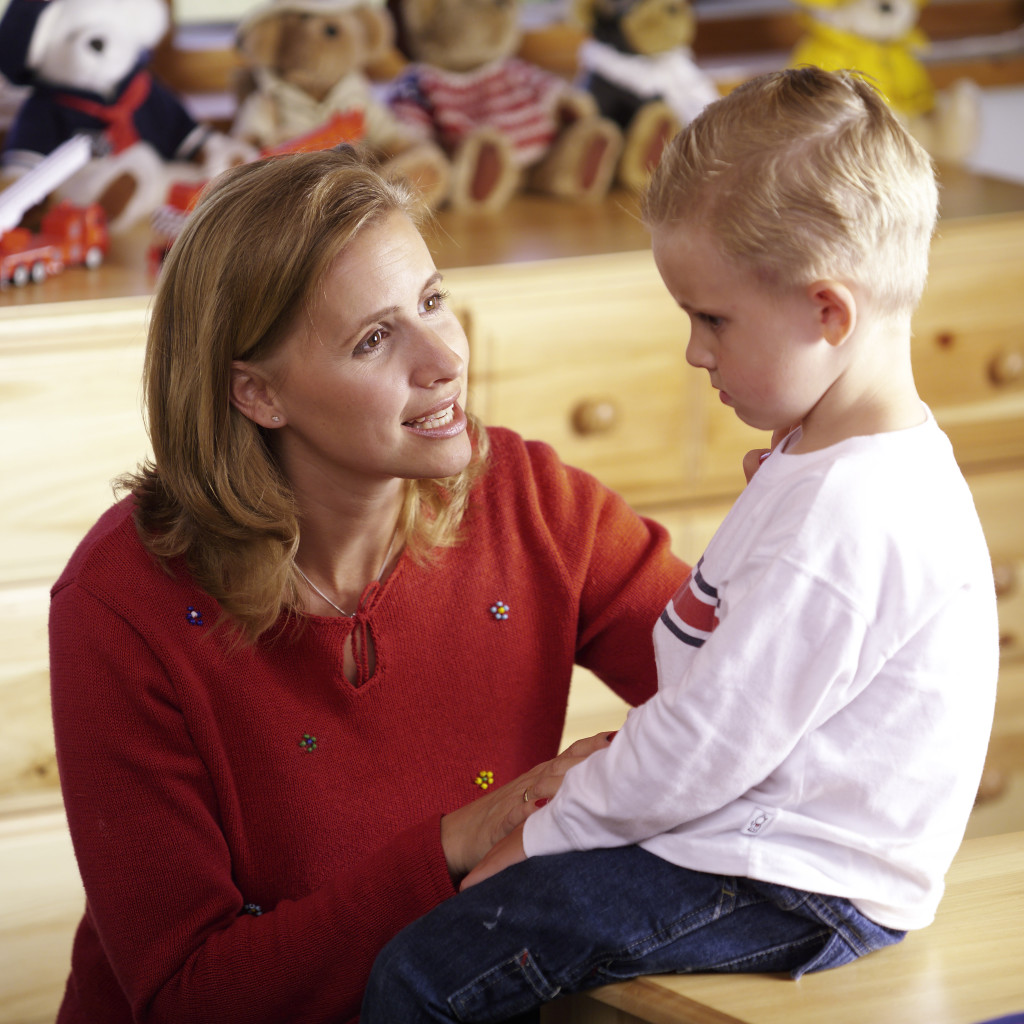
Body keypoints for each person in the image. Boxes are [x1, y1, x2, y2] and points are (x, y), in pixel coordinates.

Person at [359, 66, 1000, 1023]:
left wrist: (539, 836)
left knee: (424, 971)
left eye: (713, 319)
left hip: (791, 876)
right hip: (760, 837)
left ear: (828, 313)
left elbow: (704, 745)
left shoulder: (848, 515)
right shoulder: (833, 467)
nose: (695, 352)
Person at [47, 146, 691, 1024]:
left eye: (433, 302)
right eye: (374, 338)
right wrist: (460, 841)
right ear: (257, 395)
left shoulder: (533, 504)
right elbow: (188, 996)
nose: (443, 360)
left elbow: (749, 700)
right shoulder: (122, 603)